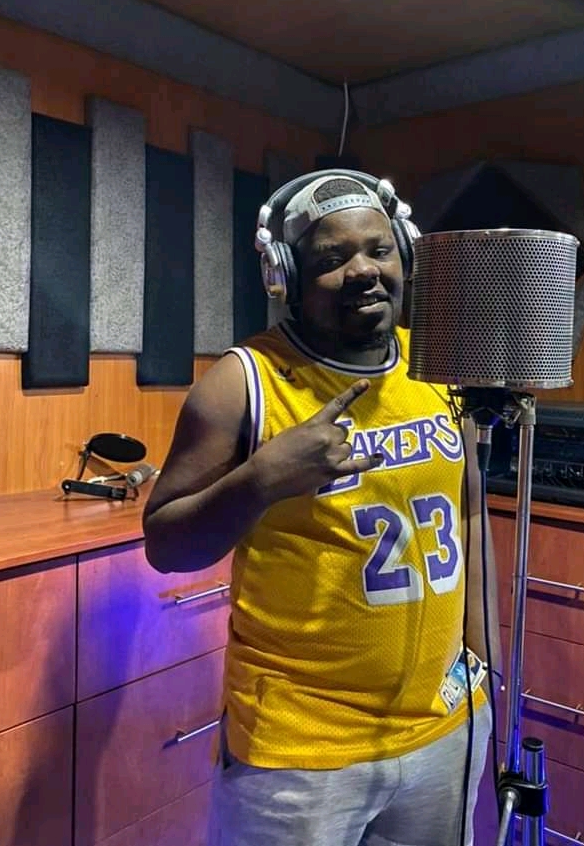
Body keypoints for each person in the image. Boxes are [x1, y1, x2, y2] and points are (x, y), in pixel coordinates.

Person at [143, 170, 502, 846]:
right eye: (333, 258)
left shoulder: (437, 365)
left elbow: (471, 511)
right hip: (299, 755)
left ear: (404, 255)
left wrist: (485, 664)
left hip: (445, 727)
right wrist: (260, 480)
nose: (363, 270)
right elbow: (165, 544)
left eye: (378, 249)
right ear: (287, 277)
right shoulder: (242, 383)